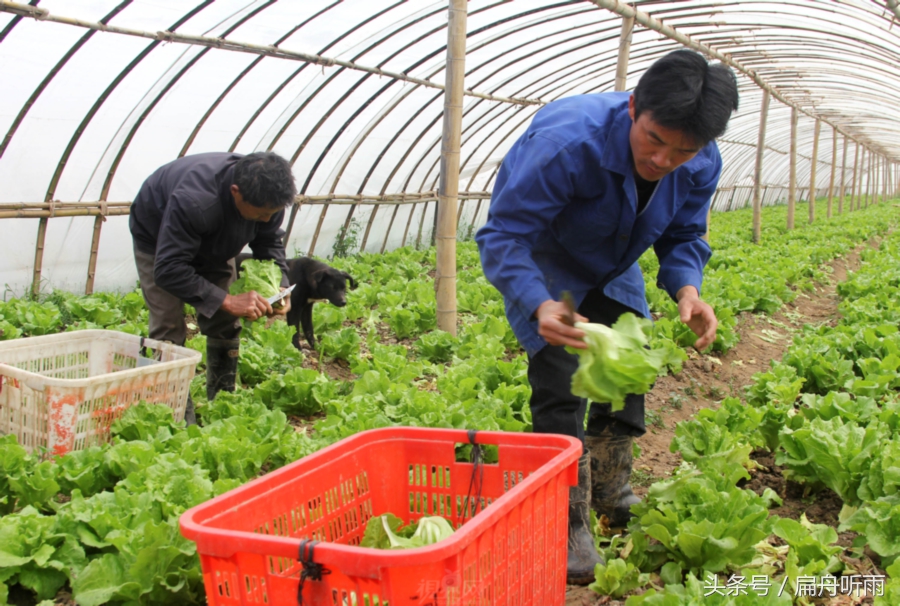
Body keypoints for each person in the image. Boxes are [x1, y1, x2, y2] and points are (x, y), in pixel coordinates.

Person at [475, 50, 739, 585]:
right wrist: (540, 302)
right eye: (655, 140)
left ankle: (613, 489)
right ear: (633, 107)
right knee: (561, 380)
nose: (665, 159)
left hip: (613, 262)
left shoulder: (701, 161)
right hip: (547, 263)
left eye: (683, 150)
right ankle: (566, 516)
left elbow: (684, 234)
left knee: (628, 363)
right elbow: (504, 235)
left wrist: (687, 288)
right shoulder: (566, 142)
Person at [130, 151, 297, 424]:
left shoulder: (268, 199)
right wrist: (228, 300)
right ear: (236, 192)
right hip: (158, 239)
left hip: (216, 239)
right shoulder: (195, 201)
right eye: (261, 214)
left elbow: (269, 242)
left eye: (272, 213)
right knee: (167, 327)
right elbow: (168, 269)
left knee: (226, 320)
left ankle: (222, 401)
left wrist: (281, 284)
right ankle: (174, 414)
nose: (267, 219)